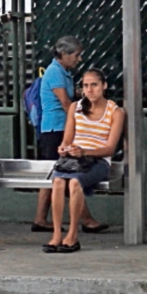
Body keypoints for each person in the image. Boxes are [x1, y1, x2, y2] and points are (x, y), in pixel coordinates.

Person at [44, 68, 124, 253]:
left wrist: (85, 151)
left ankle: (72, 235)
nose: (89, 90)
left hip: (97, 161)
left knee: (74, 182)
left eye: (94, 85)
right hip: (73, 159)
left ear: (104, 86)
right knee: (57, 181)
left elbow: (110, 148)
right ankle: (56, 234)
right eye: (85, 86)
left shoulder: (115, 111)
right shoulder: (76, 107)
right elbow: (67, 137)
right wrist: (64, 148)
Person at [32, 36, 86, 232]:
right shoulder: (55, 72)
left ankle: (40, 218)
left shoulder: (62, 72)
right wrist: (80, 123)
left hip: (57, 127)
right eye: (76, 55)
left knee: (53, 173)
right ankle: (86, 218)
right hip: (56, 129)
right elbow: (65, 103)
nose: (78, 59)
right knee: (65, 171)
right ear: (64, 54)